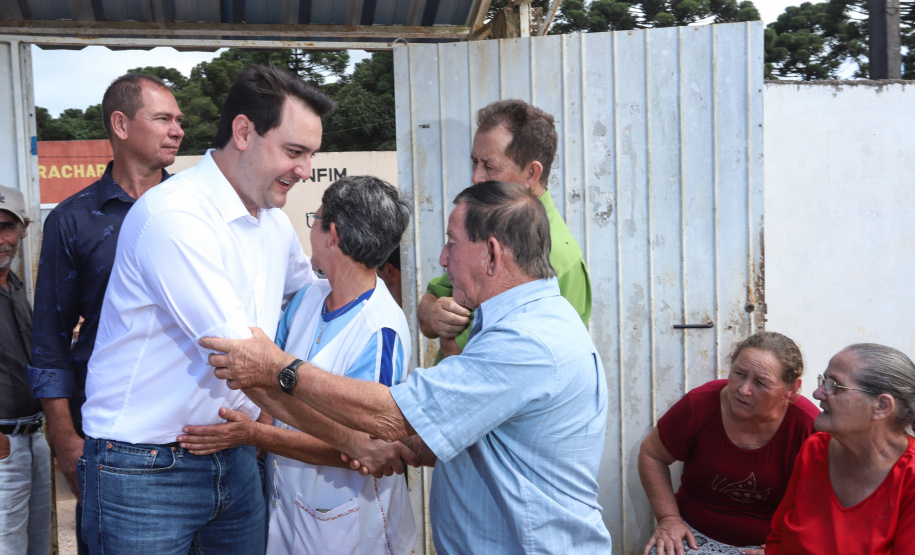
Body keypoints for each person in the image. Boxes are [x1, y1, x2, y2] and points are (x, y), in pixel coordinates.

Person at [201, 180, 614, 553]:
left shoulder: (527, 342)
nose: (442, 258)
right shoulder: (518, 322)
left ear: (491, 253)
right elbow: (460, 430)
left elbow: (392, 415)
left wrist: (280, 371)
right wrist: (399, 445)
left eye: (452, 244)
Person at [77, 65, 331, 554]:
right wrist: (350, 436)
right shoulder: (176, 216)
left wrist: (405, 303)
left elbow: (315, 295)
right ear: (243, 132)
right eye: (294, 152)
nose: (304, 170)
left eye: (310, 155)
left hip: (233, 455)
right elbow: (246, 361)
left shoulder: (272, 222)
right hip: (144, 471)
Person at [178, 175, 417, 554]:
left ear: (332, 234)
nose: (311, 230)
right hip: (289, 503)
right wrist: (262, 424)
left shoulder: (380, 331)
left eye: (315, 219)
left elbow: (360, 449)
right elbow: (269, 378)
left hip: (348, 522)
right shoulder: (309, 297)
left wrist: (254, 436)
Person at [27, 72, 183, 553]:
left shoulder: (195, 211)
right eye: (162, 119)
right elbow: (50, 340)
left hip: (198, 433)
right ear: (120, 123)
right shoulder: (72, 220)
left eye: (179, 119)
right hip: (110, 441)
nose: (177, 129)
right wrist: (65, 439)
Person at [417, 99, 591, 362]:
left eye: (490, 166)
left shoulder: (555, 258)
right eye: (474, 162)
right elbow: (429, 308)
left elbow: (462, 352)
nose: (476, 177)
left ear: (532, 173)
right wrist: (433, 313)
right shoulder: (488, 226)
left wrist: (446, 330)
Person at [638, 332, 819, 555]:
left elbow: (824, 503)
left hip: (768, 545)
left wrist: (785, 548)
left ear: (792, 389)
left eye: (761, 383)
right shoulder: (701, 404)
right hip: (691, 535)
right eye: (739, 374)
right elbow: (652, 455)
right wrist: (668, 519)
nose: (743, 389)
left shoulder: (808, 427)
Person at [766, 343, 915, 554]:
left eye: (834, 385)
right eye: (823, 381)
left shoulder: (910, 478)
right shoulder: (815, 449)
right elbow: (778, 537)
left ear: (881, 406)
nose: (817, 393)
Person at [0, 184, 50, 555]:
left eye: (5, 226)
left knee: (35, 543)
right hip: (3, 447)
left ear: (24, 229)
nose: (0, 239)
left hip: (34, 438)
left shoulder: (15, 286)